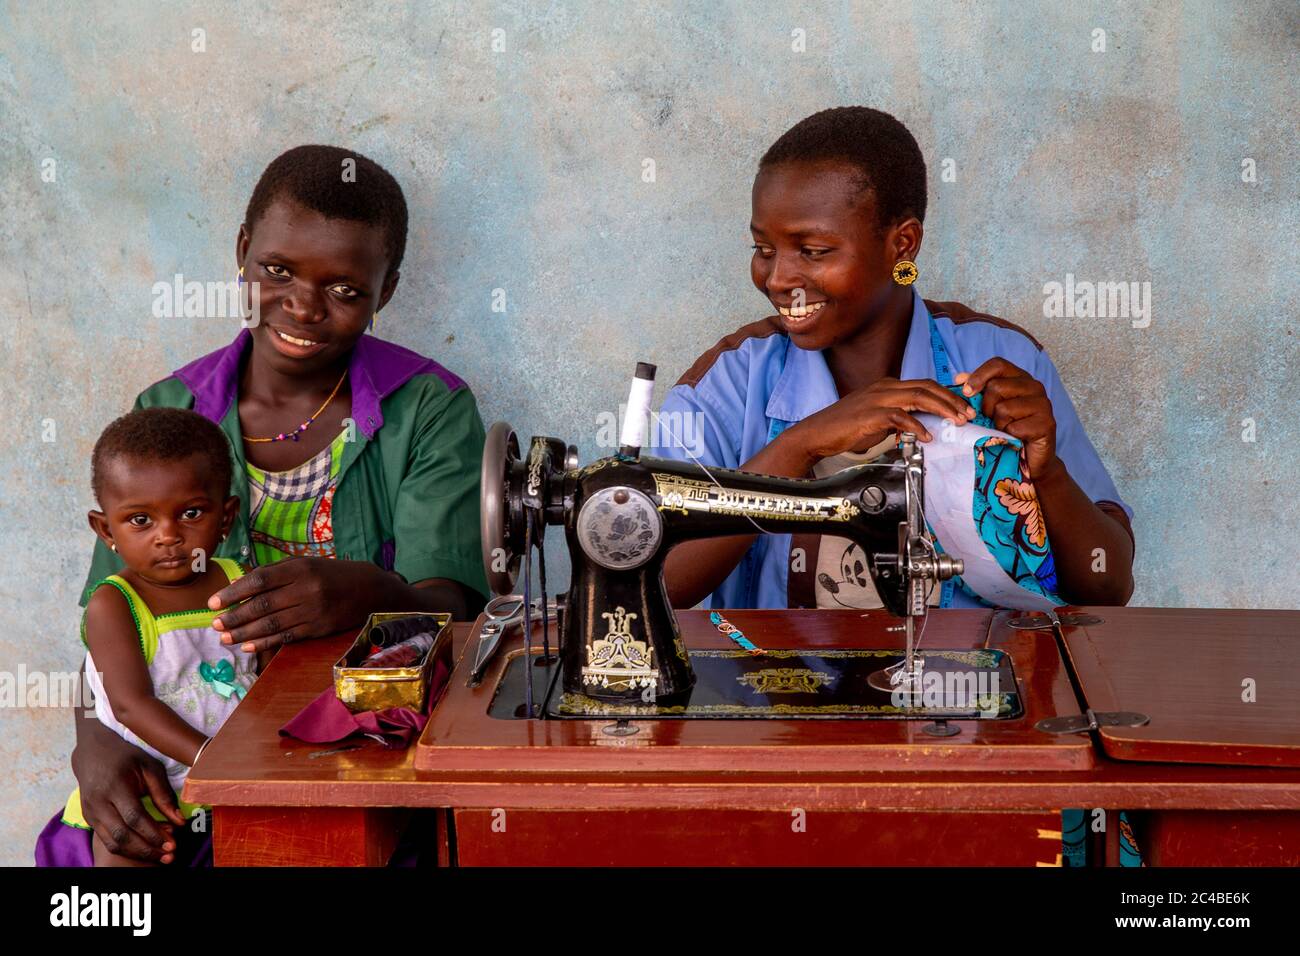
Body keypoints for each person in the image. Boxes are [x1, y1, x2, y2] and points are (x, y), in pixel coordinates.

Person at [646, 107, 1137, 865]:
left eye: (812, 250)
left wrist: (1050, 470)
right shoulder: (730, 381)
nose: (779, 278)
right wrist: (801, 444)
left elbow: (1106, 583)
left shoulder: (1001, 361)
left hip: (982, 739)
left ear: (901, 243)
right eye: (763, 248)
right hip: (780, 736)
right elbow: (659, 581)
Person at [37, 145, 488, 866]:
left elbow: (456, 615)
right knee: (101, 872)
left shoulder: (428, 408)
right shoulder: (170, 412)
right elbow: (110, 612)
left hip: (360, 749)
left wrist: (371, 592)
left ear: (387, 289)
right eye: (278, 271)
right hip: (186, 747)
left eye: (345, 289)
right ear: (244, 252)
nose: (303, 306)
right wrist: (93, 742)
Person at [56, 408, 267, 865]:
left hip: (238, 784)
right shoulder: (114, 604)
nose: (169, 536)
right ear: (105, 529)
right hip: (146, 793)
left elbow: (267, 675)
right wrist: (212, 758)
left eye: (190, 512)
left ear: (226, 516)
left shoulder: (240, 581)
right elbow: (131, 704)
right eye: (140, 521)